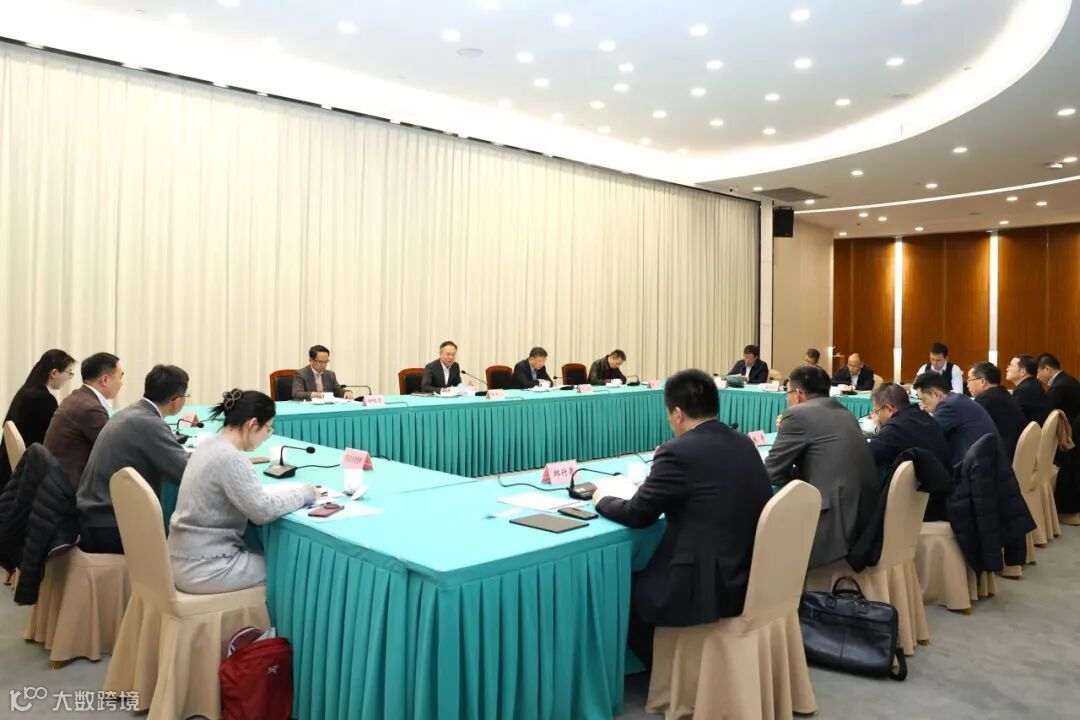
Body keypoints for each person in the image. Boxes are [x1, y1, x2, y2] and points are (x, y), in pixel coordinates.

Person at [592, 369, 771, 668]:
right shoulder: (743, 443)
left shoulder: (677, 451)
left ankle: (672, 674)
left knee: (623, 591)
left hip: (708, 585)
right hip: (748, 572)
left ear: (677, 414)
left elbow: (638, 514)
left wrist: (601, 499)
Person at [168, 390, 316, 594]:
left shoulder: (208, 444)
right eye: (268, 429)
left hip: (181, 558)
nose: (267, 436)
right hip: (206, 568)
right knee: (294, 569)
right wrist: (305, 493)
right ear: (252, 424)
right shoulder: (232, 458)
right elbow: (262, 511)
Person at [764, 365, 878, 568]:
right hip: (865, 517)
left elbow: (771, 473)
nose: (787, 399)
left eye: (788, 393)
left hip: (834, 523)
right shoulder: (845, 412)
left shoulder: (797, 414)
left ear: (799, 394)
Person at [76, 365, 192, 554]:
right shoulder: (149, 424)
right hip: (109, 525)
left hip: (93, 515)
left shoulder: (130, 412)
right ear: (176, 401)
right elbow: (187, 471)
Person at [43, 353, 123, 487]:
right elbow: (115, 451)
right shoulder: (91, 408)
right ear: (104, 380)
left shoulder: (78, 397)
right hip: (69, 489)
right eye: (120, 376)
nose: (122, 383)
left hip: (53, 481)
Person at [0, 349, 76, 492]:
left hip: (9, 472)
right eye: (69, 373)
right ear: (54, 373)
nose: (68, 378)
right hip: (26, 475)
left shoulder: (25, 392)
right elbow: (54, 438)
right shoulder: (43, 399)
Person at [913, 371, 999, 467]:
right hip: (987, 465)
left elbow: (925, 436)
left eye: (923, 400)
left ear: (936, 395)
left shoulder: (948, 406)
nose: (923, 405)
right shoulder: (956, 400)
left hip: (976, 470)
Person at [868, 382, 951, 473]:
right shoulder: (925, 416)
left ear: (889, 409)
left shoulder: (893, 430)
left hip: (925, 481)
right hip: (945, 477)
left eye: (877, 411)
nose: (877, 416)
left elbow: (867, 458)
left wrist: (881, 430)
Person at [967, 361, 1029, 459]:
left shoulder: (986, 400)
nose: (967, 385)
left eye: (969, 380)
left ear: (982, 381)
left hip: (1003, 458)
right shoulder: (1003, 393)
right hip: (1017, 454)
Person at [1006, 354, 1051, 427]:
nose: (1007, 369)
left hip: (1030, 432)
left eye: (1011, 366)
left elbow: (1012, 417)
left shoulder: (1024, 391)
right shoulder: (1032, 384)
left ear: (1022, 371)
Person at [1037, 354, 1080, 427]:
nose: (1037, 376)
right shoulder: (1071, 379)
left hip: (1068, 429)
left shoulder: (1056, 388)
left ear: (1047, 369)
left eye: (1038, 372)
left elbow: (1048, 415)